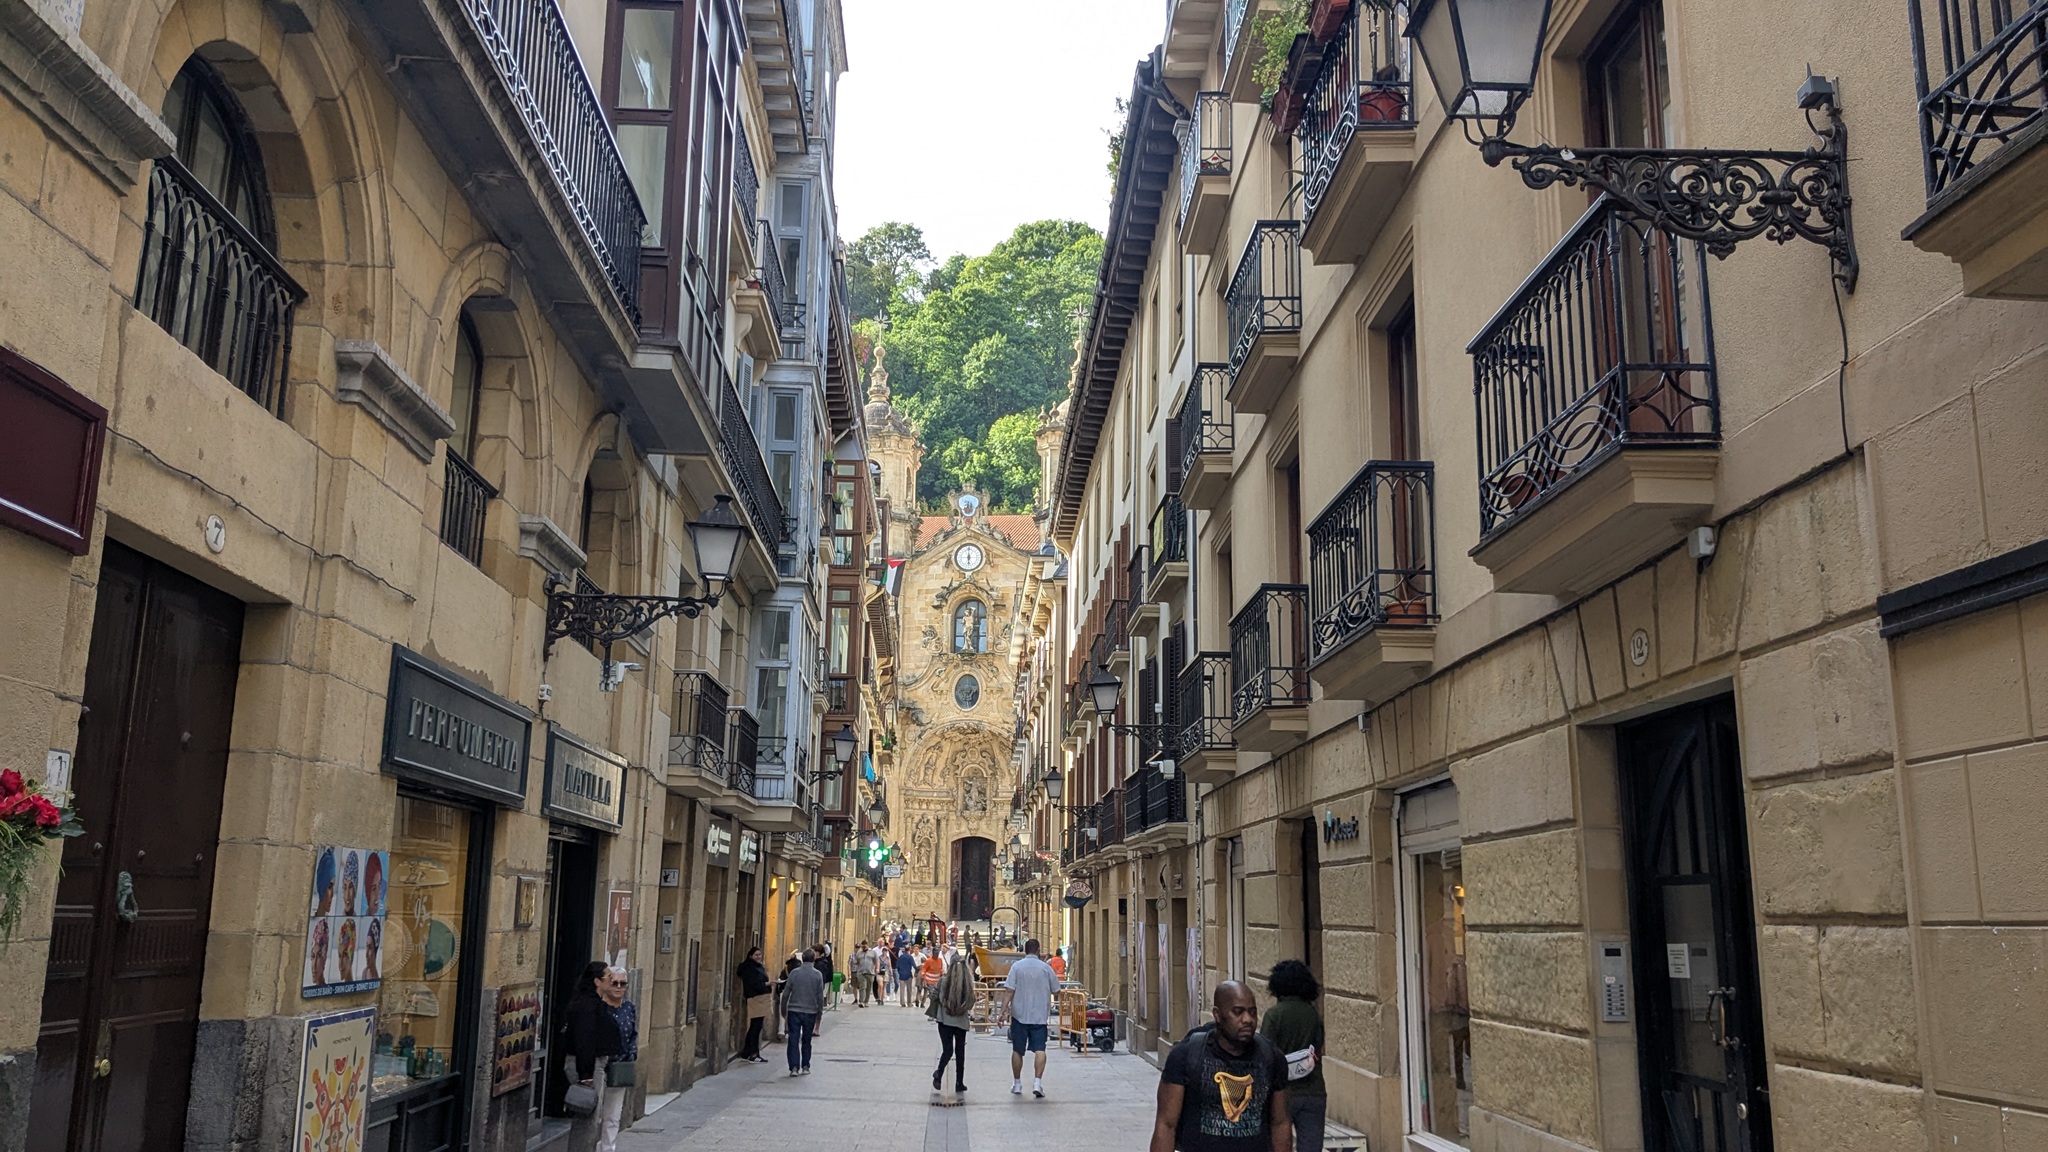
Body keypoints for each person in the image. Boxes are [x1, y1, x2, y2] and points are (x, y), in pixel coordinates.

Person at [1151, 981, 1292, 1152]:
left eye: (1252, 1012)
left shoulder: (1271, 1057)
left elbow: (1280, 1123)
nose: (1247, 1019)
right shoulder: (1186, 1055)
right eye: (1238, 1012)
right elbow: (1166, 1124)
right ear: (1217, 1015)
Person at [1258, 961, 1326, 1152]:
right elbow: (1318, 1048)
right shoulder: (1313, 1014)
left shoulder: (1274, 1015)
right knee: (1311, 1147)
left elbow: (1265, 1052)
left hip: (1281, 1092)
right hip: (1313, 1090)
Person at [558, 961, 621, 1123]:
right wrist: (585, 1075)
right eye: (609, 976)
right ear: (597, 981)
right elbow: (584, 1040)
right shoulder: (587, 1006)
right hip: (588, 1066)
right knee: (587, 1117)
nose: (612, 980)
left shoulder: (593, 1003)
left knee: (589, 1115)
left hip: (592, 1064)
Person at [1002, 938, 1060, 1098]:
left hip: (1019, 1016)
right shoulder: (1046, 968)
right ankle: (1037, 1083)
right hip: (1039, 1017)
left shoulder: (1016, 967)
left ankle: (1017, 1084)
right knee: (1040, 1049)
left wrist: (1002, 1012)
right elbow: (1056, 989)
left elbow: (1009, 991)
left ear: (1025, 950)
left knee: (1017, 1050)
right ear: (1038, 950)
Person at [597, 968, 638, 1152]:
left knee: (613, 1114)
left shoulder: (629, 1008)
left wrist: (631, 1056)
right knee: (595, 1113)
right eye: (614, 983)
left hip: (619, 1067)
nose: (619, 987)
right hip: (598, 1066)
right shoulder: (599, 1007)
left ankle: (608, 1148)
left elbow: (633, 1034)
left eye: (623, 983)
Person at [927, 952, 977, 1098]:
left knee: (947, 1050)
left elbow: (935, 997)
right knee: (960, 1052)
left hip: (944, 1021)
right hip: (960, 1022)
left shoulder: (943, 981)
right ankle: (959, 1082)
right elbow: (971, 1002)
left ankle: (939, 1073)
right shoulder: (968, 983)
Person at [783, 949, 826, 1076]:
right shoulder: (818, 975)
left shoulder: (794, 973)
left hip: (794, 1010)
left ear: (802, 959)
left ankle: (794, 1067)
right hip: (810, 1011)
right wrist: (819, 1014)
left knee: (793, 1038)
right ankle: (805, 1066)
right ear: (814, 959)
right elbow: (820, 996)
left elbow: (786, 993)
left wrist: (783, 1010)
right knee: (807, 1039)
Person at [736, 946, 773, 1062]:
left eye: (760, 954)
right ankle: (753, 1053)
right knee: (756, 1026)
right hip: (756, 998)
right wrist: (767, 984)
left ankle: (747, 1052)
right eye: (756, 955)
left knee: (755, 1026)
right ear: (750, 956)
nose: (758, 957)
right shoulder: (750, 968)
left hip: (759, 998)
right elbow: (754, 984)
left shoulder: (756, 966)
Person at [852, 939, 876, 1007]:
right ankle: (861, 1001)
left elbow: (876, 961)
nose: (864, 948)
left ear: (867, 945)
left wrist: (876, 968)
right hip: (861, 972)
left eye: (865, 946)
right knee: (863, 986)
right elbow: (856, 961)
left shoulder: (873, 953)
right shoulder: (859, 953)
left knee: (868, 988)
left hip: (870, 972)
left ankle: (866, 1001)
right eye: (862, 947)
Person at [894, 942, 917, 1007]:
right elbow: (914, 966)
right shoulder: (910, 957)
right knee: (909, 990)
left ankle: (902, 1003)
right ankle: (909, 1003)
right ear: (909, 950)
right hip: (908, 975)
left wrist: (900, 972)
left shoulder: (901, 957)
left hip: (901, 975)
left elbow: (897, 966)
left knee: (902, 990)